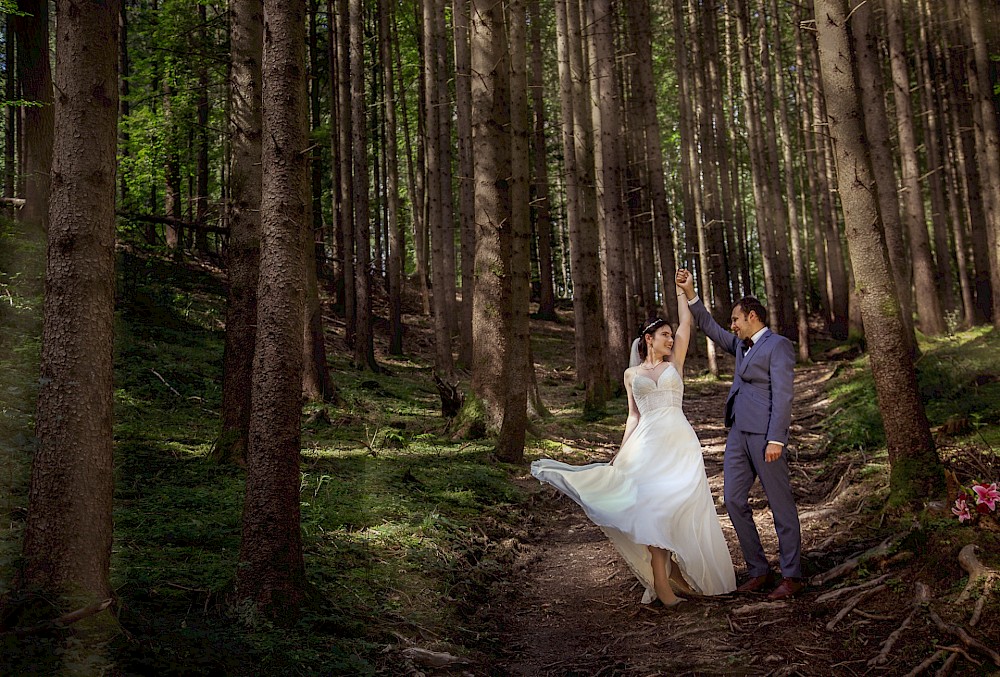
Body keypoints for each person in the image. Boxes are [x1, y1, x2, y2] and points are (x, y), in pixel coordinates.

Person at [531, 283, 736, 607]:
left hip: (679, 443)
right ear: (648, 339)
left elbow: (687, 324)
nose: (671, 339)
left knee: (675, 506)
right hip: (647, 446)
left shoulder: (675, 364)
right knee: (652, 508)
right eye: (664, 335)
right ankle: (663, 580)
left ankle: (672, 576)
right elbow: (633, 416)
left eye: (671, 335)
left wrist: (683, 290)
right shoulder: (631, 375)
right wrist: (622, 452)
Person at [674, 268, 803, 600]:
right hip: (737, 436)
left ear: (752, 316)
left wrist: (777, 438)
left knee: (780, 505)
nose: (732, 325)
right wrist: (690, 293)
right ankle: (758, 569)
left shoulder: (779, 346)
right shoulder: (741, 345)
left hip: (765, 437)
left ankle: (791, 576)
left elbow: (784, 394)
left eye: (736, 319)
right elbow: (710, 327)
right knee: (732, 499)